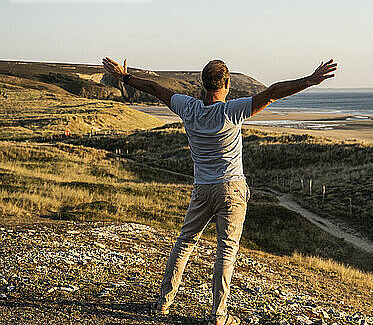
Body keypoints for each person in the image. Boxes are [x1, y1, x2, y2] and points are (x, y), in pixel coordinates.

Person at [101, 57, 337, 325]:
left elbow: (155, 89)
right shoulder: (232, 111)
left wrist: (125, 78)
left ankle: (164, 302)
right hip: (232, 188)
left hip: (202, 188)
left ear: (203, 84)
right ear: (226, 85)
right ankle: (218, 314)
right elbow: (272, 93)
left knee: (185, 243)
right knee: (226, 249)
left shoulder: (187, 107)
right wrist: (309, 80)